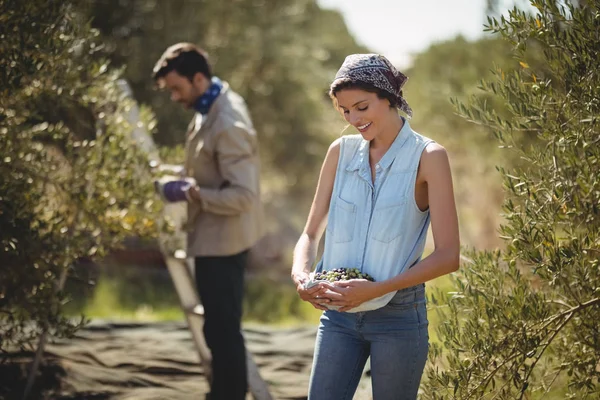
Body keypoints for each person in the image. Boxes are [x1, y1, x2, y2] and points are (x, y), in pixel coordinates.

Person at [291, 54, 460, 400]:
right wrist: (301, 275)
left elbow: (448, 256)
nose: (353, 119)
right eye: (344, 110)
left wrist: (378, 289)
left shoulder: (429, 157)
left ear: (388, 97)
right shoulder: (340, 152)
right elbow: (310, 233)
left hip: (398, 319)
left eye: (362, 107)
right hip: (337, 318)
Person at [152, 42, 263, 400]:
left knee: (223, 330)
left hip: (224, 241)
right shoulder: (208, 104)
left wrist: (191, 192)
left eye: (176, 88)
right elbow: (209, 166)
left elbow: (244, 196)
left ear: (198, 78)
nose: (173, 96)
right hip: (211, 237)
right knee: (217, 328)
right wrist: (178, 177)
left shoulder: (227, 122)